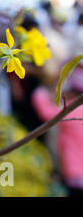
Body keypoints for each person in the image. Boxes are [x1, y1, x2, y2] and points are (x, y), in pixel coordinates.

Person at [32, 66, 83, 197]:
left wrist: (40, 92)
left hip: (75, 170)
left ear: (72, 93)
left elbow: (47, 112)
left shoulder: (72, 109)